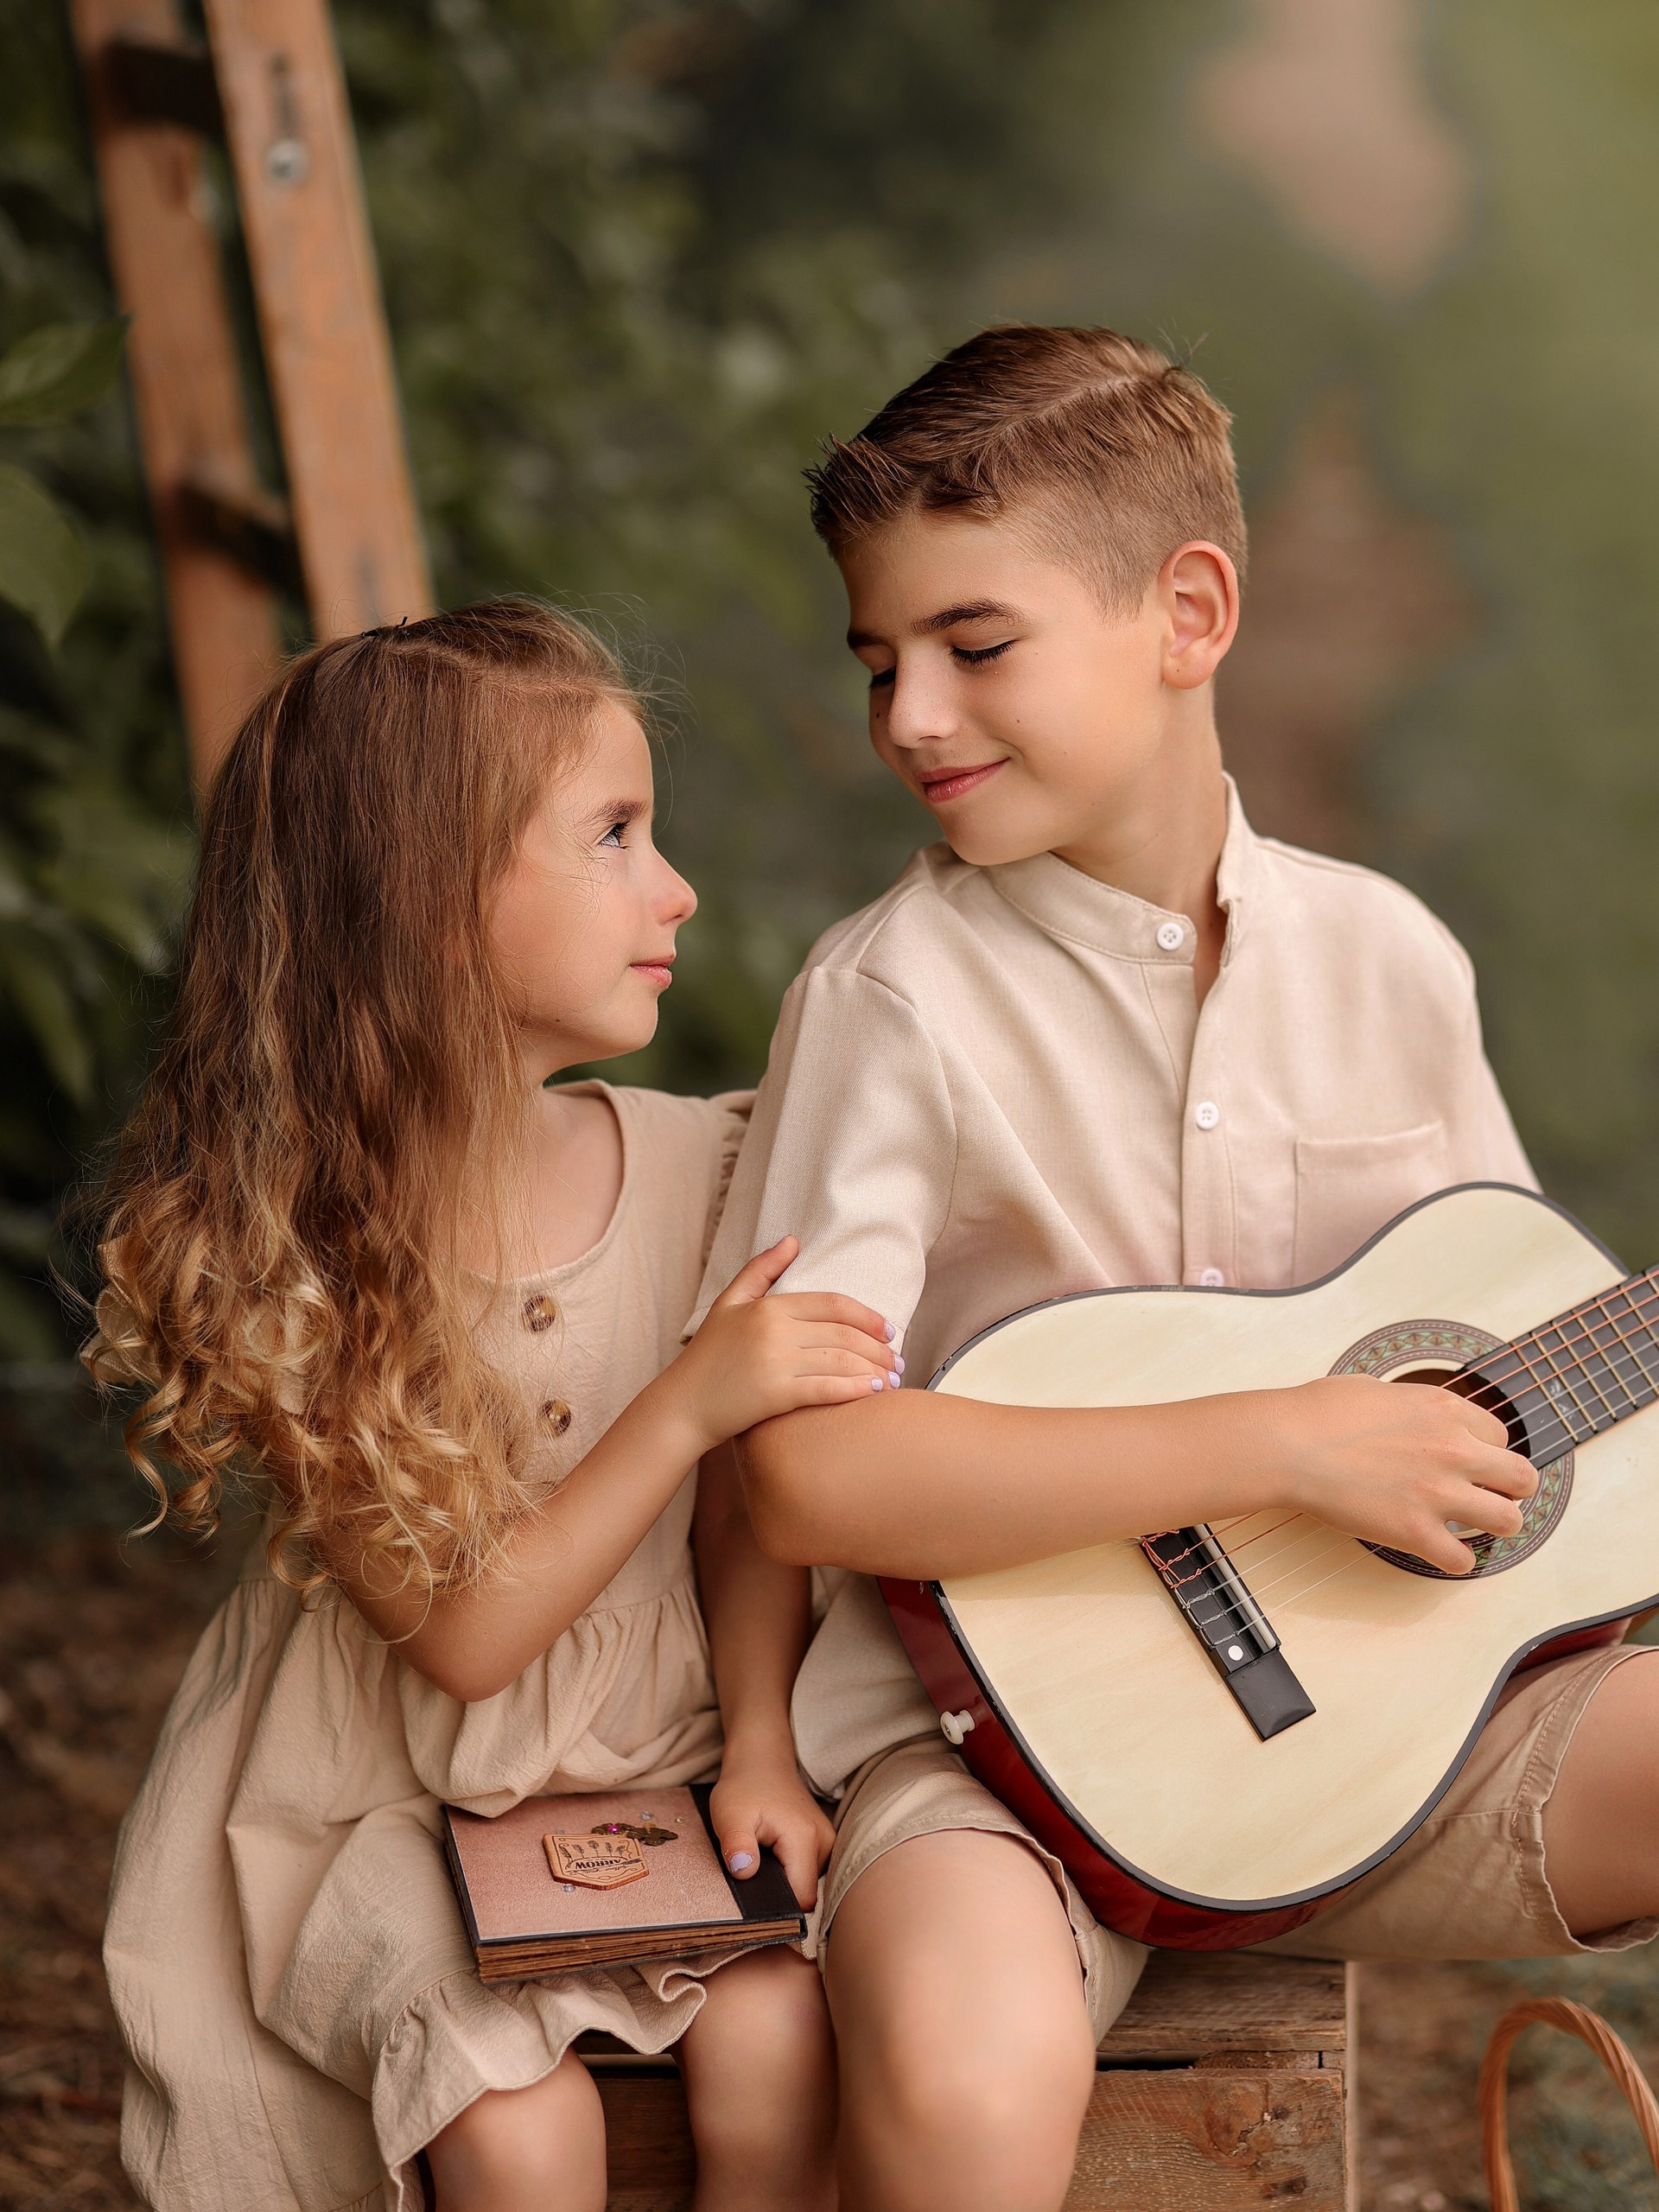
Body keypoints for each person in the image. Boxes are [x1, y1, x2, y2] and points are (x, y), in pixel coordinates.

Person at [693, 327, 1659, 2212]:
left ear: (1190, 612)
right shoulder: (894, 1001)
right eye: (882, 661)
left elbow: (1524, 1368)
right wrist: (1285, 1443)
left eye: (975, 646)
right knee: (969, 2086)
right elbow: (803, 1470)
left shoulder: (1391, 963)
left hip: (1398, 1742)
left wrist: (1458, 1483)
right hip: (989, 1764)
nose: (912, 715)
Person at [89, 601, 900, 2212]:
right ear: (427, 901)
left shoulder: (706, 1170)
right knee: (516, 2129)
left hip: (672, 1764)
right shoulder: (302, 1260)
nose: (675, 888)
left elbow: (750, 1506)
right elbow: (463, 1640)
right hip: (383, 1808)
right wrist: (685, 1400)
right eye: (612, 835)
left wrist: (759, 1741)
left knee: (777, 2042)